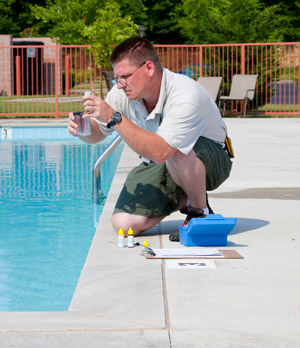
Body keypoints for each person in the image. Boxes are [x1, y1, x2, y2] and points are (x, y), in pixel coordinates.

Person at [68, 37, 232, 241]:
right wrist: (82, 130)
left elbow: (161, 150)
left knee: (178, 151)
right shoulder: (122, 93)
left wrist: (114, 117)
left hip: (210, 161)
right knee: (124, 226)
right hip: (162, 162)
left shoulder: (185, 93)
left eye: (125, 76)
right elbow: (98, 134)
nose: (119, 85)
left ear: (149, 68)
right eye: (116, 78)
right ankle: (182, 197)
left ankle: (199, 211)